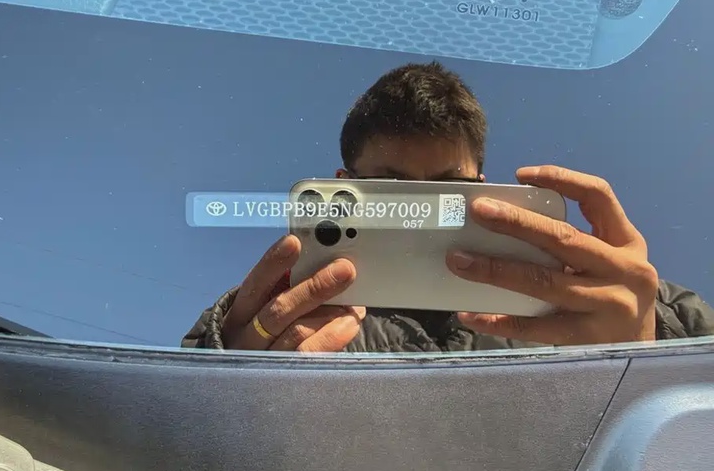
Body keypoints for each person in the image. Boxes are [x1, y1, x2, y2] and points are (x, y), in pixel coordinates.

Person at [182, 62, 714, 353]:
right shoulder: (277, 316)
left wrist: (651, 350)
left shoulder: (603, 299)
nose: (420, 216)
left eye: (448, 192)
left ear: (482, 189)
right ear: (344, 186)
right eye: (390, 189)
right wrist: (227, 373)